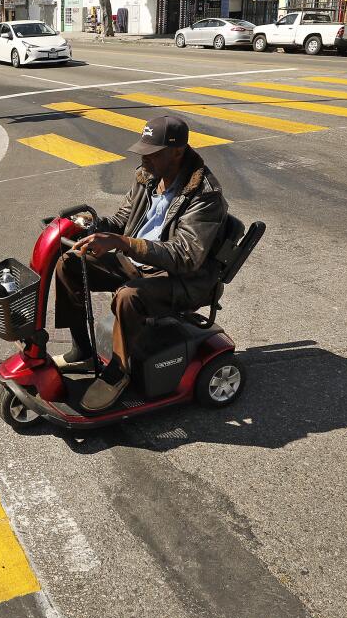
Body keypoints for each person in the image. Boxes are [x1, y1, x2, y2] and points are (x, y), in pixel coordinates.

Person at [52, 115, 228, 411]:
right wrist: (92, 226)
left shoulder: (205, 195)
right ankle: (82, 350)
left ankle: (117, 373)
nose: (145, 159)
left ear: (178, 151)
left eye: (153, 153)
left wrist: (124, 244)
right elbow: (123, 220)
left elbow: (185, 256)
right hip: (138, 261)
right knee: (69, 263)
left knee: (128, 297)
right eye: (143, 151)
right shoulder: (148, 176)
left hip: (183, 278)